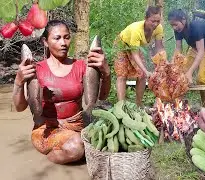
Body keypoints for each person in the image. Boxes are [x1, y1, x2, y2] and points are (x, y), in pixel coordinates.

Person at [12, 20, 111, 164]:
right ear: (45, 41)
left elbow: (102, 97)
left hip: (78, 125)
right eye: (57, 38)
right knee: (76, 147)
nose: (63, 43)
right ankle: (51, 158)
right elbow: (20, 107)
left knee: (108, 142)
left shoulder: (82, 66)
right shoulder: (36, 69)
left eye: (67, 37)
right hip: (47, 129)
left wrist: (106, 74)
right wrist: (19, 81)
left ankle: (76, 152)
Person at [168, 9, 205, 108]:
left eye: (175, 24)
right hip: (195, 47)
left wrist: (190, 72)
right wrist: (173, 65)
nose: (174, 28)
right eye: (172, 25)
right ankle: (179, 104)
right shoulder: (178, 30)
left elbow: (201, 52)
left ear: (183, 20)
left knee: (201, 79)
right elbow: (178, 49)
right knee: (181, 73)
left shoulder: (196, 27)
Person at [114, 6, 164, 107]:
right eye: (152, 21)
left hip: (135, 47)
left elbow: (159, 48)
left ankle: (139, 104)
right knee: (122, 75)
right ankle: (121, 106)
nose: (155, 24)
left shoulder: (159, 28)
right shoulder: (136, 30)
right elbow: (135, 54)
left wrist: (162, 63)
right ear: (146, 19)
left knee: (142, 75)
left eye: (158, 21)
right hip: (121, 44)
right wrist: (146, 70)